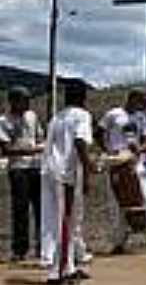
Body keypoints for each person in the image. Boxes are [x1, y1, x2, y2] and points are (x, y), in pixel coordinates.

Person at [97, 89, 146, 254]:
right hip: (117, 161)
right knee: (118, 203)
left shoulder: (141, 118)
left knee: (145, 199)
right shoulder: (113, 114)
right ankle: (119, 242)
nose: (143, 107)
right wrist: (108, 149)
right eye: (142, 102)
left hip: (135, 161)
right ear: (132, 99)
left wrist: (139, 149)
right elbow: (98, 132)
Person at [42, 84, 95, 284]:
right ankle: (58, 272)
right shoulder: (82, 116)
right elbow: (80, 143)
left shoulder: (57, 117)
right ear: (83, 98)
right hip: (63, 175)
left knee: (67, 221)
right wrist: (89, 170)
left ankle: (69, 267)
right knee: (65, 221)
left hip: (52, 172)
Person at [0, 87, 44, 262]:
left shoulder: (32, 117)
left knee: (41, 208)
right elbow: (6, 149)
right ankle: (20, 249)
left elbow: (39, 137)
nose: (27, 104)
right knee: (21, 209)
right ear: (13, 101)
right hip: (18, 168)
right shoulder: (4, 121)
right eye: (23, 100)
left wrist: (39, 148)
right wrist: (29, 150)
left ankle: (42, 246)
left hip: (36, 167)